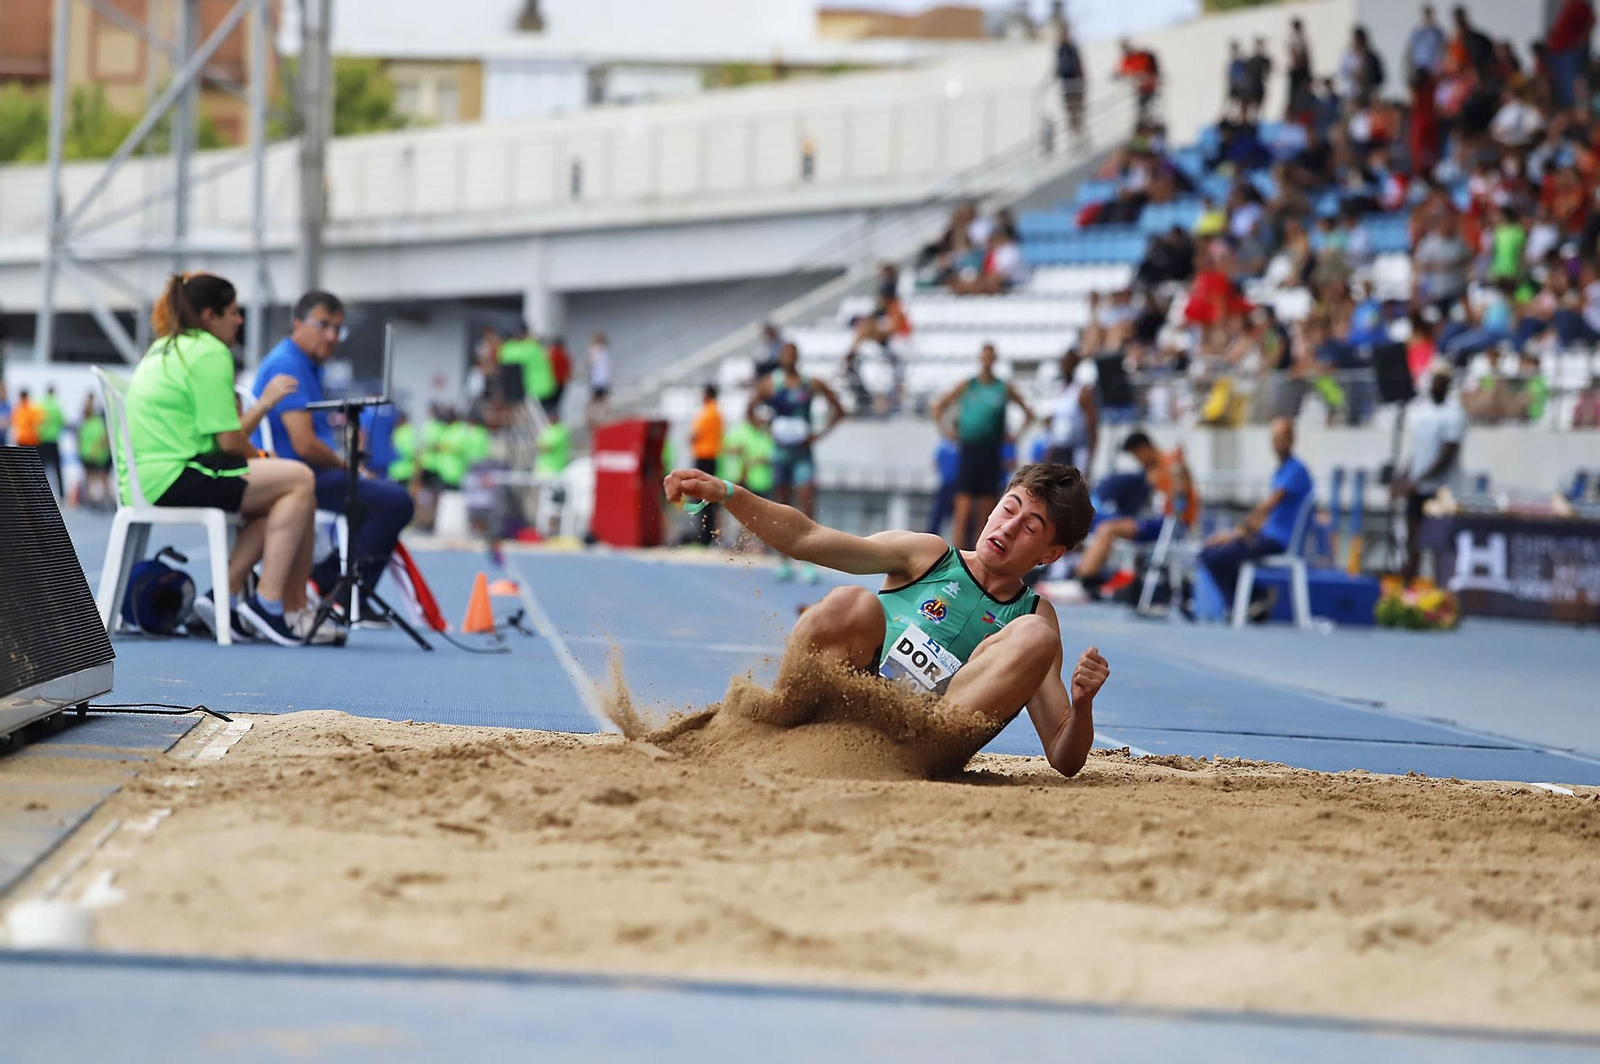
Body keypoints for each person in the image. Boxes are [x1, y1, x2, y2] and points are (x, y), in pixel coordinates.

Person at [663, 462, 1110, 779]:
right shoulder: (928, 554)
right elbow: (807, 538)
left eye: (1031, 527)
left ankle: (911, 753)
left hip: (925, 743)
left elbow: (1063, 757)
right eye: (1009, 509)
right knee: (850, 603)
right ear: (993, 507)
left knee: (1037, 634)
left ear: (1051, 554)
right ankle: (777, 721)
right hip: (852, 705)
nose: (1008, 529)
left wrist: (1083, 704)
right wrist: (728, 494)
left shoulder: (1032, 617)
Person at [127, 273, 321, 647]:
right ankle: (267, 604)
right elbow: (230, 440)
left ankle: (223, 598)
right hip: (177, 472)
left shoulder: (165, 347)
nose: (239, 320)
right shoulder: (209, 351)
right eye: (232, 312)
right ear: (208, 316)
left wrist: (262, 458)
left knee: (284, 496)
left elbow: (222, 438)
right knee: (299, 480)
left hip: (154, 473)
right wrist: (264, 457)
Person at [252, 290, 415, 629]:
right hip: (293, 475)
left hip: (303, 472)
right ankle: (342, 595)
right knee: (395, 502)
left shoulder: (308, 366)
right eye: (323, 325)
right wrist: (350, 467)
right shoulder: (288, 364)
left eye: (337, 328)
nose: (331, 336)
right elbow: (304, 444)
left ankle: (330, 585)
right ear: (297, 323)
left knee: (376, 500)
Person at [747, 342, 846, 582]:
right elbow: (750, 410)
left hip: (803, 454)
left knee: (807, 503)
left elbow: (839, 409)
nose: (789, 357)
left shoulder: (810, 383)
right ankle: (783, 558)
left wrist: (818, 434)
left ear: (798, 357)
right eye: (785, 354)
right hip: (781, 453)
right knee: (782, 506)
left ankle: (810, 561)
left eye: (792, 354)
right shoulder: (771, 383)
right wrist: (767, 430)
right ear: (781, 358)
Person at [1197, 417, 1313, 620]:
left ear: (1292, 439)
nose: (1278, 443)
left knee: (1219, 555)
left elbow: (1267, 506)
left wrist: (1237, 533)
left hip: (1278, 542)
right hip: (1265, 536)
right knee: (1208, 553)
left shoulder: (1296, 470)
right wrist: (1235, 534)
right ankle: (1253, 600)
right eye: (1274, 438)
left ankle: (1246, 603)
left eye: (1282, 438)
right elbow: (1266, 517)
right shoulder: (1281, 470)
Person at [931, 344, 1035, 552]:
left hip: (991, 451)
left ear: (994, 359)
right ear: (980, 359)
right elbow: (938, 406)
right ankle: (957, 560)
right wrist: (946, 430)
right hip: (969, 451)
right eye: (984, 357)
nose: (987, 361)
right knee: (963, 508)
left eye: (991, 357)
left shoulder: (1002, 387)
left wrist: (1015, 437)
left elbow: (1028, 412)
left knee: (986, 511)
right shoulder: (968, 385)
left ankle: (980, 558)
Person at [1073, 431, 1195, 595]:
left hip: (1170, 524)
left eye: (1137, 456)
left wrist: (1179, 474)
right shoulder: (1150, 471)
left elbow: (1181, 497)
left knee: (1108, 529)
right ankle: (1084, 576)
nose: (1137, 460)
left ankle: (1084, 580)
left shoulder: (1172, 464)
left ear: (1145, 448)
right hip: (1153, 521)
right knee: (1100, 524)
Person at [1393, 363, 1465, 584]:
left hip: (1440, 490)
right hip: (1418, 489)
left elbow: (1447, 455)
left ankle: (1440, 590)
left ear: (1447, 384)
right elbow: (1414, 452)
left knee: (1438, 544)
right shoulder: (1421, 412)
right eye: (1434, 380)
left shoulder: (1454, 414)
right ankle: (1406, 591)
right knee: (1412, 541)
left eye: (1441, 381)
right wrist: (1403, 478)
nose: (1436, 384)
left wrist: (1418, 480)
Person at [1045, 347, 1097, 473]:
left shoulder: (1081, 392)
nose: (1065, 367)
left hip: (1077, 449)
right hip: (1059, 448)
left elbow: (1092, 426)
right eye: (1064, 363)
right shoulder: (1058, 390)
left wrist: (1090, 458)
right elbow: (1052, 422)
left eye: (1069, 363)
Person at [690, 384, 724, 547]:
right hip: (712, 457)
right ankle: (708, 535)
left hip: (704, 457)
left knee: (703, 497)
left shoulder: (707, 413)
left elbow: (695, 435)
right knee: (708, 498)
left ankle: (704, 536)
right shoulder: (716, 413)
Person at [1547, 0, 1595, 108]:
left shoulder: (1578, 7)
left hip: (1569, 52)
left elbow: (1591, 21)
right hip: (1559, 52)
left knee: (1570, 82)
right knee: (1562, 83)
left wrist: (1581, 39)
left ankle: (1574, 107)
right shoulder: (1567, 9)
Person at [76, 394, 112, 509]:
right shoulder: (98, 423)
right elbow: (105, 439)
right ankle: (104, 498)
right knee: (102, 478)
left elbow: (80, 440)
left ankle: (93, 499)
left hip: (88, 455)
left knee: (91, 478)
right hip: (100, 455)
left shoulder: (85, 425)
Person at [1055, 23, 1087, 140]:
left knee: (1077, 108)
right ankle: (1073, 131)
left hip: (1075, 82)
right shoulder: (1060, 49)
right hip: (1066, 83)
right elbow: (1059, 66)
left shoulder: (1072, 48)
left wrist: (1082, 80)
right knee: (1070, 109)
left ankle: (1078, 130)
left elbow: (1079, 64)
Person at [1405, 5, 1447, 82]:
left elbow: (1443, 51)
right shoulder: (1417, 32)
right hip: (1419, 70)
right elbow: (1410, 52)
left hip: (1434, 70)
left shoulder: (1438, 33)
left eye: (1430, 14)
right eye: (1426, 15)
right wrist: (1409, 71)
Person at [36, 385, 64, 499]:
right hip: (53, 440)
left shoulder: (40, 406)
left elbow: (37, 422)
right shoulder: (57, 406)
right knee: (57, 469)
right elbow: (62, 422)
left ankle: (38, 492)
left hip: (42, 440)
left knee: (40, 469)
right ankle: (62, 494)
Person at [587, 332, 612, 422]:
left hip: (597, 380)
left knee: (594, 399)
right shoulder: (605, 351)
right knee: (604, 399)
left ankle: (590, 417)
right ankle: (607, 416)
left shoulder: (594, 350)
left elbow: (590, 363)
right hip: (604, 379)